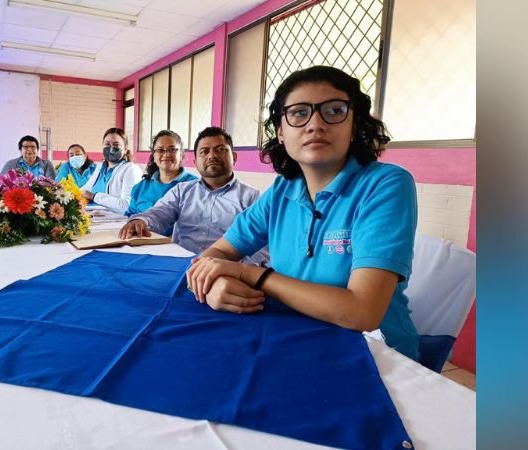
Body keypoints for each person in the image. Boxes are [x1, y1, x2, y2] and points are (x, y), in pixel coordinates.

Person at [185, 66, 420, 361]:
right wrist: (216, 284)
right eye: (298, 113)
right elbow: (217, 253)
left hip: (376, 357)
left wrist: (250, 274)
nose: (315, 125)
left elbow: (362, 312)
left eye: (334, 111)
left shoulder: (385, 185)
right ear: (281, 132)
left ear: (355, 124)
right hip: (293, 336)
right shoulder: (283, 189)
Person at [118, 127, 267, 265]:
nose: (212, 155)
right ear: (195, 162)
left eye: (220, 149)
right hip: (180, 266)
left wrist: (236, 271)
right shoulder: (182, 191)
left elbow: (263, 251)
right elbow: (159, 212)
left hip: (226, 274)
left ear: (234, 157)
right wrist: (140, 220)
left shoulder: (253, 199)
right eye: (204, 151)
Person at [123, 130, 197, 217]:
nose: (166, 154)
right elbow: (129, 217)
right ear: (154, 155)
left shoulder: (194, 186)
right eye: (160, 150)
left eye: (172, 149)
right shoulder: (140, 187)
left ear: (181, 155)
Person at [81, 127, 142, 215]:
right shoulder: (101, 167)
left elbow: (126, 206)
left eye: (116, 144)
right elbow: (84, 190)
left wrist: (94, 196)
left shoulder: (131, 169)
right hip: (94, 218)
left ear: (125, 149)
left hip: (117, 223)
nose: (111, 148)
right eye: (107, 144)